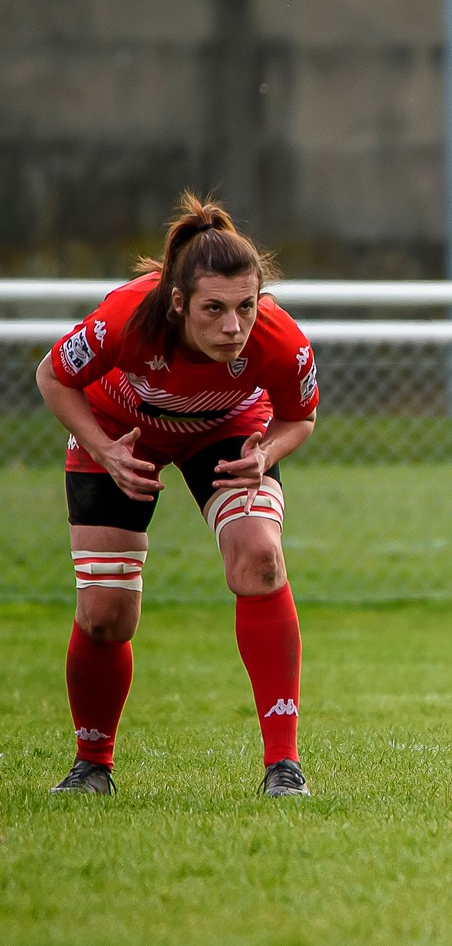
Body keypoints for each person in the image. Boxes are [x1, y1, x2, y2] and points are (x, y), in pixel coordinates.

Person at [36, 194, 321, 798]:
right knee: (107, 614)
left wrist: (263, 456)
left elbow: (301, 419)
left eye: (245, 307)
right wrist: (104, 449)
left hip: (227, 430)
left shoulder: (279, 340)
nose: (232, 327)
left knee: (260, 557)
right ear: (177, 302)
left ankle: (284, 766)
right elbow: (54, 375)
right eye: (213, 309)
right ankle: (92, 765)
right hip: (117, 429)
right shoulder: (124, 319)